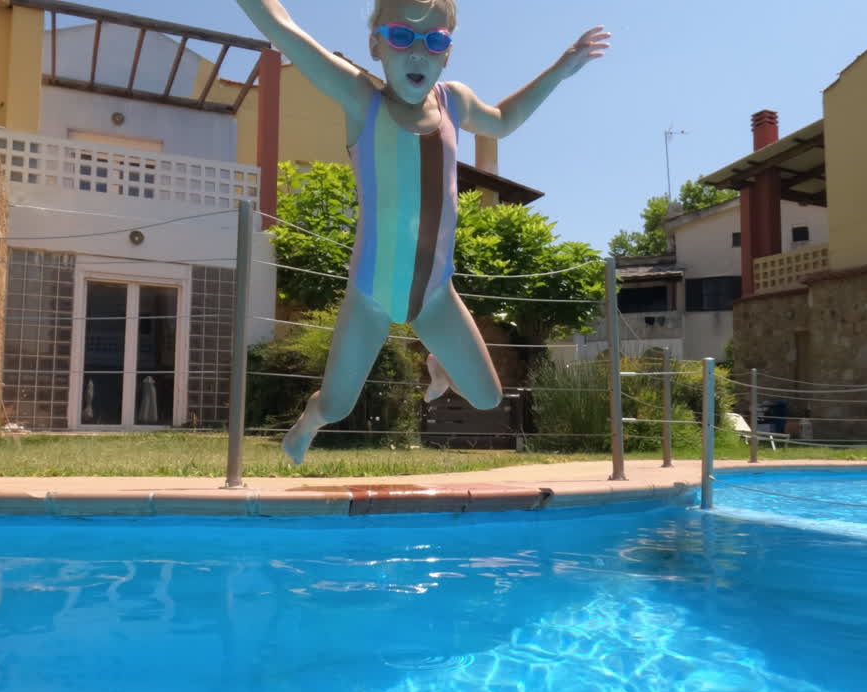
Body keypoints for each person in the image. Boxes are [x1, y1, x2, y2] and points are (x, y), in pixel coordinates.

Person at [235, 0, 609, 464]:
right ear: (375, 46)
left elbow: (503, 121)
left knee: (488, 398)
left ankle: (439, 364)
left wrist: (560, 68)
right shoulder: (361, 99)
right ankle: (310, 420)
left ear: (447, 53)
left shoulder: (455, 102)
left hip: (435, 293)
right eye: (401, 38)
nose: (418, 53)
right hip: (371, 292)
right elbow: (284, 28)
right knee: (337, 405)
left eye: (435, 41)